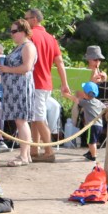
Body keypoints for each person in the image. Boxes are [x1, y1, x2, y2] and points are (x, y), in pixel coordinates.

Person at [25, 9, 72, 162]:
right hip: (47, 83)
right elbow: (60, 62)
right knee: (35, 116)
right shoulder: (51, 38)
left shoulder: (30, 35)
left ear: (33, 20)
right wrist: (64, 83)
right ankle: (34, 150)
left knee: (38, 117)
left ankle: (49, 151)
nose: (24, 22)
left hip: (35, 82)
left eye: (26, 19)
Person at [0, 19, 36, 166]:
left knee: (21, 120)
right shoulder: (19, 47)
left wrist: (8, 69)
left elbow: (26, 67)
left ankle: (24, 156)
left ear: (23, 31)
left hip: (21, 88)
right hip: (13, 89)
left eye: (14, 31)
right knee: (19, 121)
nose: (11, 34)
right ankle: (25, 154)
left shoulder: (28, 46)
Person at [66, 82, 104, 162]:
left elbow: (75, 100)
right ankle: (90, 153)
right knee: (93, 141)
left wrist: (66, 94)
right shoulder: (98, 102)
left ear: (86, 94)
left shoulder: (86, 102)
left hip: (92, 126)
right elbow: (105, 107)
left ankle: (93, 156)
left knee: (91, 142)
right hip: (100, 125)